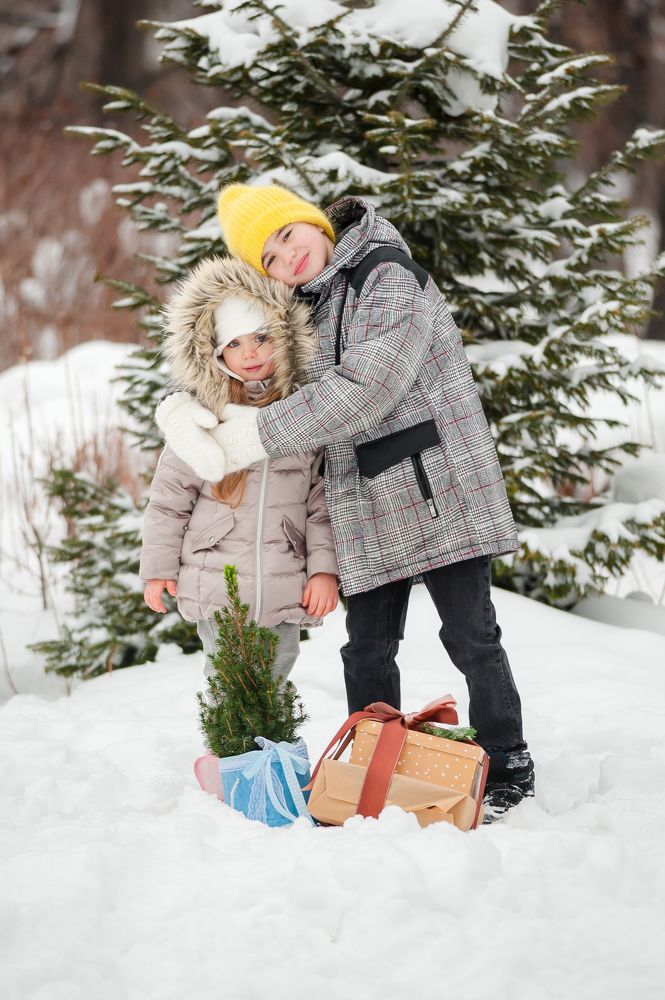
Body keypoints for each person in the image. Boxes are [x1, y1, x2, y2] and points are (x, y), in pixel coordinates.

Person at [156, 185, 534, 821]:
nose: (287, 258)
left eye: (287, 236)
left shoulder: (387, 276)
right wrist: (186, 406)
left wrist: (251, 434)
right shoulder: (303, 302)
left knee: (470, 634)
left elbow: (369, 387)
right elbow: (243, 351)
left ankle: (508, 762)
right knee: (366, 648)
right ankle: (373, 762)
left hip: (436, 485)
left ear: (311, 221)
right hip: (359, 500)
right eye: (269, 258)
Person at [140, 253, 339, 689]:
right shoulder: (200, 417)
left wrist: (324, 570)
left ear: (283, 340)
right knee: (227, 683)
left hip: (283, 581)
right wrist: (158, 569)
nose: (249, 354)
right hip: (216, 581)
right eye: (234, 344)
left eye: (261, 338)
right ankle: (227, 756)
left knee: (276, 679)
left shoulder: (305, 413)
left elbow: (322, 502)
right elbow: (168, 502)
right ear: (216, 353)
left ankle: (271, 756)